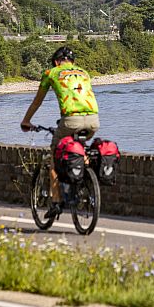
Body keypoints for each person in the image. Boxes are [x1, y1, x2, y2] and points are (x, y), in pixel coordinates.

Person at [20, 46, 100, 219]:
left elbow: (37, 102)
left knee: (55, 158)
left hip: (71, 120)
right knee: (79, 148)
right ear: (73, 62)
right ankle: (85, 178)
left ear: (56, 61)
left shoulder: (52, 72)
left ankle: (56, 202)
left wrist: (26, 121)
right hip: (94, 120)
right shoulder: (84, 72)